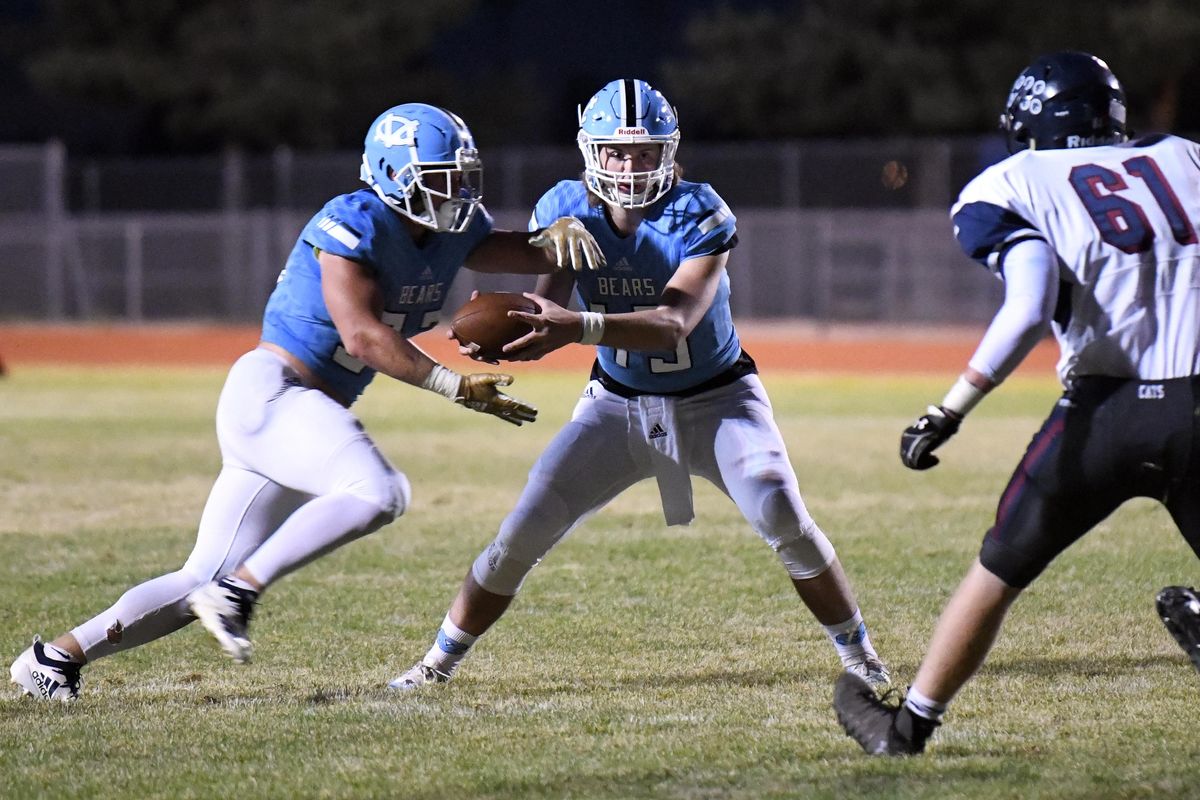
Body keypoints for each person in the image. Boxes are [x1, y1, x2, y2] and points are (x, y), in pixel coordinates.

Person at [9, 102, 605, 701]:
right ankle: (240, 592)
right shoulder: (353, 221)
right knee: (379, 493)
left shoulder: (454, 231)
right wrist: (453, 386)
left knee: (200, 579)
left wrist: (560, 233)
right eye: (441, 176)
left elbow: (532, 251)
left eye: (461, 175)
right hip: (275, 393)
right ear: (396, 176)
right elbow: (362, 335)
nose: (457, 190)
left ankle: (53, 659)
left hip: (300, 416)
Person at [388, 79, 890, 692]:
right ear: (590, 150)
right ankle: (437, 664)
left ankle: (861, 657)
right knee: (524, 527)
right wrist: (512, 325)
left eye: (646, 152)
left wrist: (578, 327)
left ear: (669, 152)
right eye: (618, 153)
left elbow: (673, 321)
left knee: (780, 507)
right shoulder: (567, 206)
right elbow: (552, 307)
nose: (631, 167)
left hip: (718, 397)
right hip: (616, 403)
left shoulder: (701, 211)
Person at [833, 51, 1200, 756]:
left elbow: (1028, 304)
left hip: (1104, 414)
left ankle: (906, 728)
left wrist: (950, 408)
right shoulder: (1184, 156)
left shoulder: (1008, 182)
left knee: (999, 570)